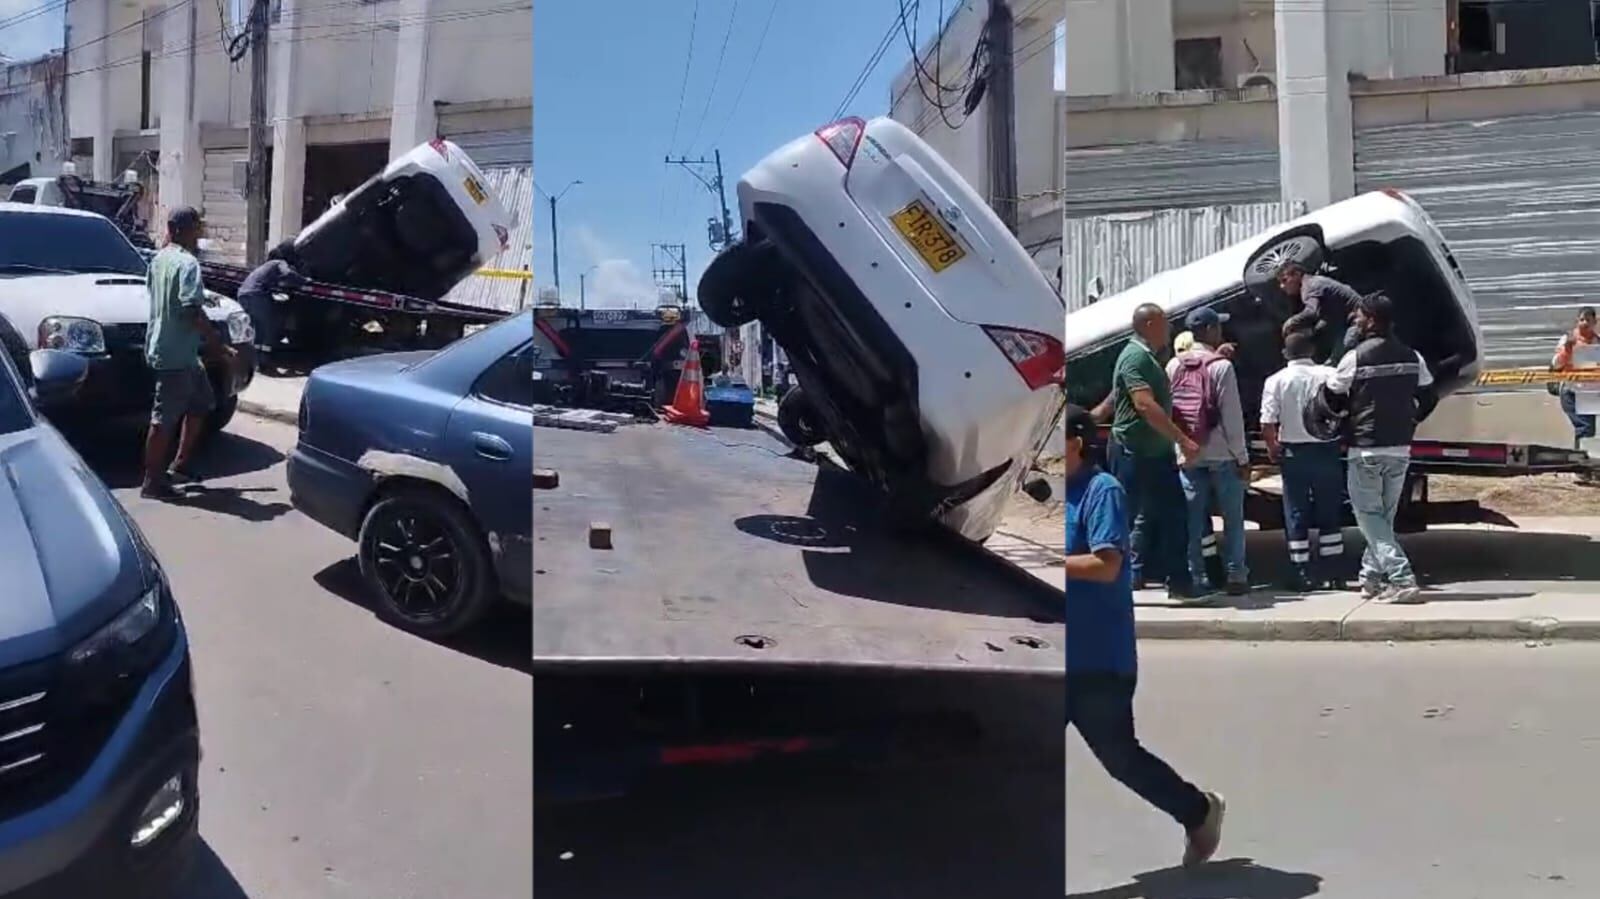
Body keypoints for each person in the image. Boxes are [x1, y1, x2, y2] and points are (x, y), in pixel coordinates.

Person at [1064, 403, 1226, 868]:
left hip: (1098, 658)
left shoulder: (1102, 490)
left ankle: (1199, 810)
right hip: (1055, 654)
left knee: (1120, 759)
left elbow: (1107, 563)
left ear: (1076, 442)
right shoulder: (1058, 493)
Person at [1324, 292, 1436, 604]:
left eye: (1358, 315)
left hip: (1367, 449)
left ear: (1371, 320)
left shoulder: (1355, 357)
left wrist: (1341, 419)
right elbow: (1428, 396)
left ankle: (1401, 578)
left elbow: (1332, 395)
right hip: (1400, 448)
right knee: (1383, 518)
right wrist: (1412, 419)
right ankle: (1371, 578)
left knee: (1368, 516)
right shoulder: (1413, 356)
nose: (1355, 320)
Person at [1092, 303, 1208, 602]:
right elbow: (1143, 404)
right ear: (1149, 325)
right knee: (1125, 517)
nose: (1170, 329)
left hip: (1153, 453)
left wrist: (1096, 414)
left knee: (1170, 516)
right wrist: (1182, 438)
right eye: (1165, 322)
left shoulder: (1143, 359)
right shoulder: (1135, 357)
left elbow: (1120, 394)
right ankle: (1106, 582)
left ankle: (1180, 584)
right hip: (1136, 452)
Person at [143, 206, 235, 500]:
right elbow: (188, 308)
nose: (200, 233)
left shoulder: (159, 260)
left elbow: (161, 296)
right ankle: (152, 482)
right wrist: (217, 346)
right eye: (197, 228)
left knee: (203, 403)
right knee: (163, 419)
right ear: (183, 229)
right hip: (175, 355)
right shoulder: (188, 264)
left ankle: (180, 465)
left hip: (175, 351)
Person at [1167, 308, 1250, 596]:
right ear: (1211, 331)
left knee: (1193, 521)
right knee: (1232, 519)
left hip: (1189, 456)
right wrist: (1242, 457)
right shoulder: (1221, 366)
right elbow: (1232, 417)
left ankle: (1198, 576)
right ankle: (1236, 575)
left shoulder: (1172, 366)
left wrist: (1178, 451)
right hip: (1223, 455)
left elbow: (1171, 415)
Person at [1262, 329, 1345, 591]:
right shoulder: (1329, 374)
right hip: (1326, 450)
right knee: (1329, 508)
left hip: (1294, 453)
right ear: (1311, 351)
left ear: (1286, 353)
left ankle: (1301, 572)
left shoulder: (1275, 380)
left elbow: (1267, 421)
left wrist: (1273, 447)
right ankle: (1334, 573)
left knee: (1296, 511)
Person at [235, 240, 306, 367]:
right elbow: (287, 273)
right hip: (256, 295)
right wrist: (303, 280)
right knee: (270, 326)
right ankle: (265, 360)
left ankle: (254, 360)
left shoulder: (264, 266)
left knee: (256, 328)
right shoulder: (279, 262)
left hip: (243, 294)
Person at [1277, 261, 1362, 362]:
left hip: (1358, 320)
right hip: (1346, 318)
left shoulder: (1309, 287)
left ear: (1297, 274)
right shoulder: (1314, 281)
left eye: (1284, 280)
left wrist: (1291, 322)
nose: (1282, 286)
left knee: (1336, 361)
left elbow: (1311, 312)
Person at [1551, 306, 1599, 450]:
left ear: (1594, 322)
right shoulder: (1568, 340)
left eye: (1588, 320)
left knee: (1588, 430)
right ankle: (1581, 461)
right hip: (1572, 391)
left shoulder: (1597, 342)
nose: (1584, 323)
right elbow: (1556, 364)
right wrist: (1567, 349)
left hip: (1590, 394)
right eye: (1582, 320)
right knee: (1584, 428)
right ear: (1577, 321)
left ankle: (1581, 457)